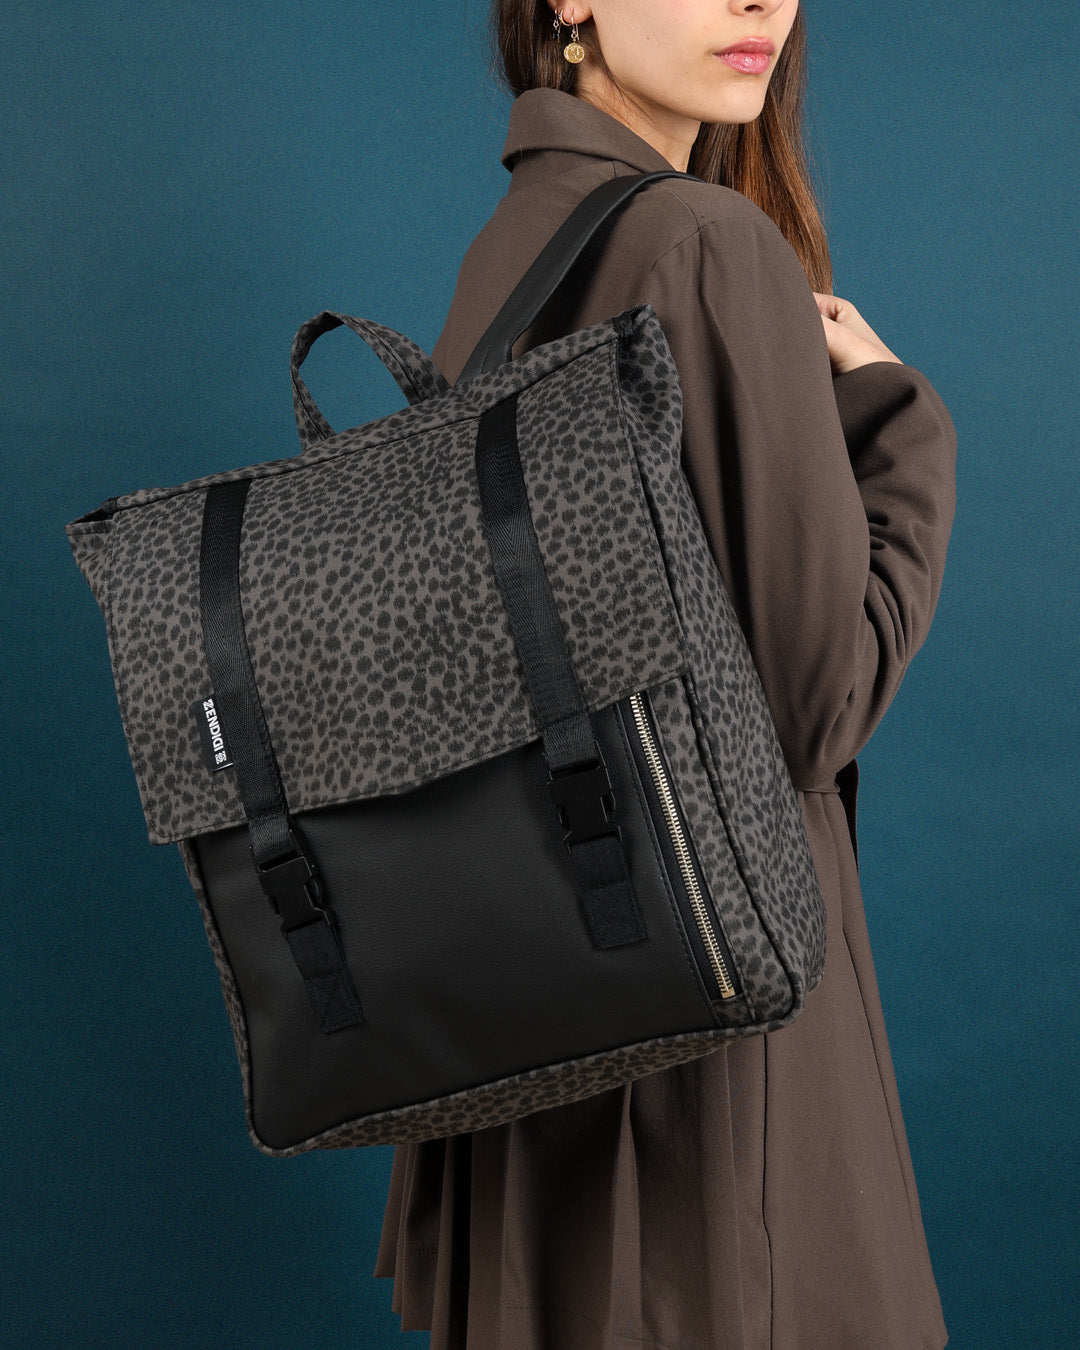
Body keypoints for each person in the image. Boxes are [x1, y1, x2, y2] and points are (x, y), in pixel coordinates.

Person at [374, 1, 957, 1345]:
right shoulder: (704, 244)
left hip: (541, 1027)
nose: (760, 2)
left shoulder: (512, 249)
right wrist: (901, 427)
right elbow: (815, 704)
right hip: (705, 1058)